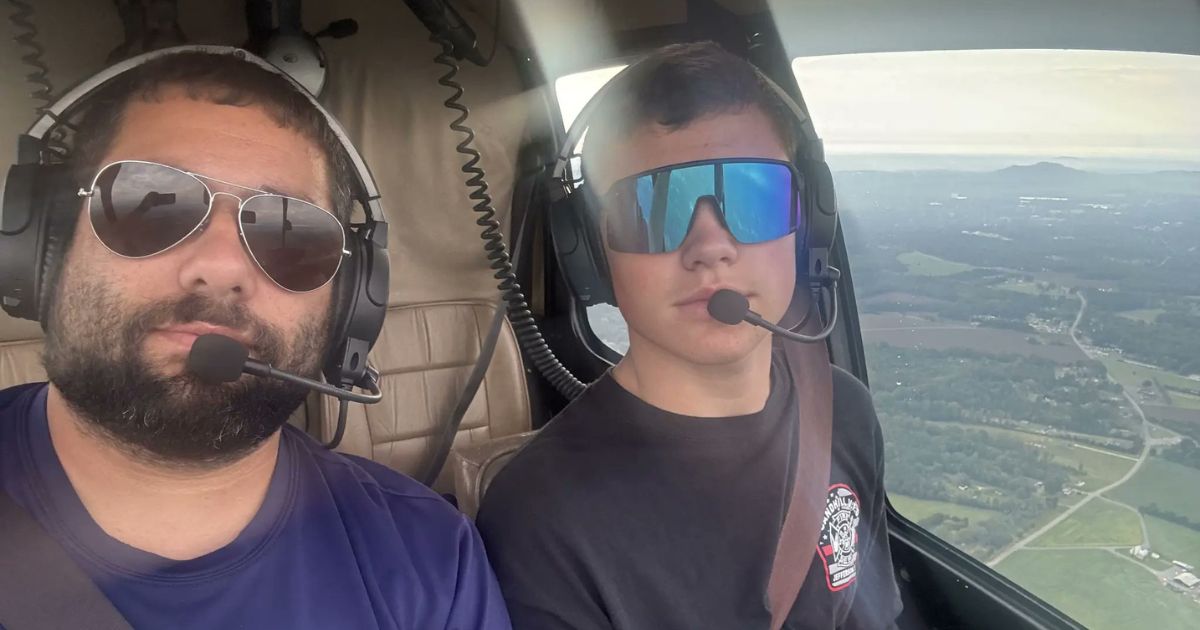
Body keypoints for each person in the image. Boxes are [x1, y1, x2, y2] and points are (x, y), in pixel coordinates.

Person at [0, 49, 510, 629]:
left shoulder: (432, 560)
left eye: (290, 232)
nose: (222, 266)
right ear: (44, 246)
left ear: (349, 301)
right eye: (148, 202)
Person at [477, 42, 902, 629]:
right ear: (590, 251)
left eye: (751, 197)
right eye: (651, 208)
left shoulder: (845, 411)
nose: (710, 248)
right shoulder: (539, 517)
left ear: (810, 222)